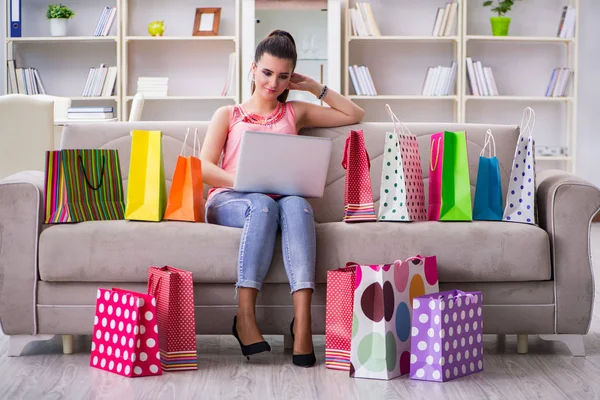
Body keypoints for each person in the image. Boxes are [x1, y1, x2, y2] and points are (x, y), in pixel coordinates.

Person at [199, 29, 364, 368]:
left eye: (283, 76)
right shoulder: (228, 114)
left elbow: (353, 114)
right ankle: (244, 318)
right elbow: (203, 167)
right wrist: (245, 180)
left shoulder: (295, 113)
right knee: (262, 202)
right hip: (231, 199)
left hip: (278, 203)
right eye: (267, 72)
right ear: (253, 68)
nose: (273, 83)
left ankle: (302, 323)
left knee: (297, 204)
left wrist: (312, 87)